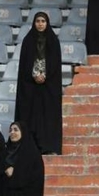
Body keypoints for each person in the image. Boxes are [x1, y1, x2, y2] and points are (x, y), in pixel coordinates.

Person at [15, 12, 62, 155]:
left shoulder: (53, 41)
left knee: (47, 115)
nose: (40, 24)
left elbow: (55, 63)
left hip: (49, 87)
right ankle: (29, 146)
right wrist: (34, 75)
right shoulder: (28, 41)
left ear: (47, 23)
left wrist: (45, 76)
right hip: (30, 86)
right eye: (37, 21)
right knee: (30, 114)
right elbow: (24, 64)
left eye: (43, 21)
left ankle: (49, 146)